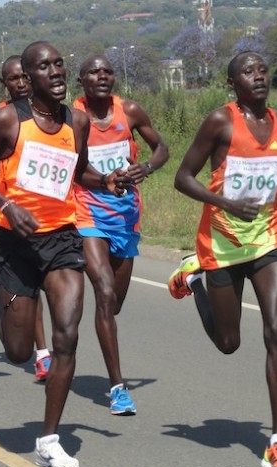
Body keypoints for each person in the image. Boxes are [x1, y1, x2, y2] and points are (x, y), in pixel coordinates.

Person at [0, 41, 130, 467]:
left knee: (66, 337)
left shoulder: (77, 120)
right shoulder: (7, 120)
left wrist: (106, 182)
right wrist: (6, 203)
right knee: (18, 351)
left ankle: (49, 439)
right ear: (29, 76)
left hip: (62, 240)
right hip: (16, 245)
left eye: (59, 65)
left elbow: (79, 172)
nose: (56, 72)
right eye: (45, 67)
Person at [168, 51, 277, 467]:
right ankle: (195, 279)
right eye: (247, 72)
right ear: (233, 83)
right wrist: (224, 201)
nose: (258, 77)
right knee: (229, 343)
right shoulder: (220, 121)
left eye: (262, 70)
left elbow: (271, 178)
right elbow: (182, 177)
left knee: (276, 329)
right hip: (221, 242)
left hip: (267, 238)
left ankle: (276, 443)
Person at [73, 54, 169, 415]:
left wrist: (146, 166)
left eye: (108, 71)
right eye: (94, 71)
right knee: (104, 292)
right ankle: (117, 387)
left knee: (113, 306)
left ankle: (97, 328)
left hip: (125, 216)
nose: (102, 76)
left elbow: (162, 148)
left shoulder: (129, 110)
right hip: (87, 213)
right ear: (80, 79)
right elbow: (74, 168)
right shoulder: (73, 117)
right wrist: (102, 181)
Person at [0, 55, 52, 382]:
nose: (20, 84)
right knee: (29, 296)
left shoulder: (52, 114)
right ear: (5, 83)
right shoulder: (2, 117)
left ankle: (44, 353)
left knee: (44, 284)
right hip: (11, 211)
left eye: (24, 78)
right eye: (12, 79)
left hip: (50, 214)